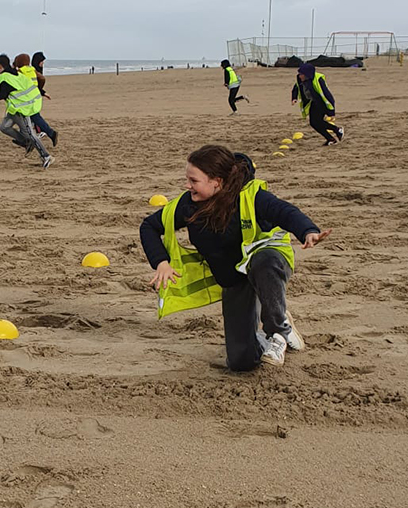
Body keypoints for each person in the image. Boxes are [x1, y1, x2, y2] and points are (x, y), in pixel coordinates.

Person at [139, 145, 330, 371]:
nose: (187, 185)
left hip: (268, 262)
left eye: (193, 180)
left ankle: (278, 332)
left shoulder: (250, 197)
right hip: (234, 280)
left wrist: (308, 231)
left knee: (264, 262)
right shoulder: (187, 205)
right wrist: (161, 262)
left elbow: (285, 212)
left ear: (217, 182)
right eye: (187, 179)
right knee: (241, 362)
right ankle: (276, 323)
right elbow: (149, 226)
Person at [0, 54, 52, 168]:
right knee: (4, 127)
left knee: (29, 133)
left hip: (21, 109)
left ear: (0, 66)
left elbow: (2, 95)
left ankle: (46, 156)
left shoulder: (5, 78)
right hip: (13, 109)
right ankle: (26, 143)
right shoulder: (16, 73)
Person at [292, 64, 343, 146]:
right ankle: (333, 136)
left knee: (317, 122)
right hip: (313, 102)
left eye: (301, 74)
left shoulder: (318, 80)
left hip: (321, 103)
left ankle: (335, 132)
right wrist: (294, 98)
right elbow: (296, 87)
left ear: (307, 75)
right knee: (314, 123)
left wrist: (331, 112)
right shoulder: (300, 79)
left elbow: (327, 95)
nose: (300, 76)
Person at [15, 53, 57, 146]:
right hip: (33, 97)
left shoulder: (21, 72)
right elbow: (41, 79)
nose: (43, 64)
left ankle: (48, 133)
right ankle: (27, 138)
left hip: (26, 99)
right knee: (31, 118)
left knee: (28, 118)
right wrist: (41, 91)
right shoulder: (32, 70)